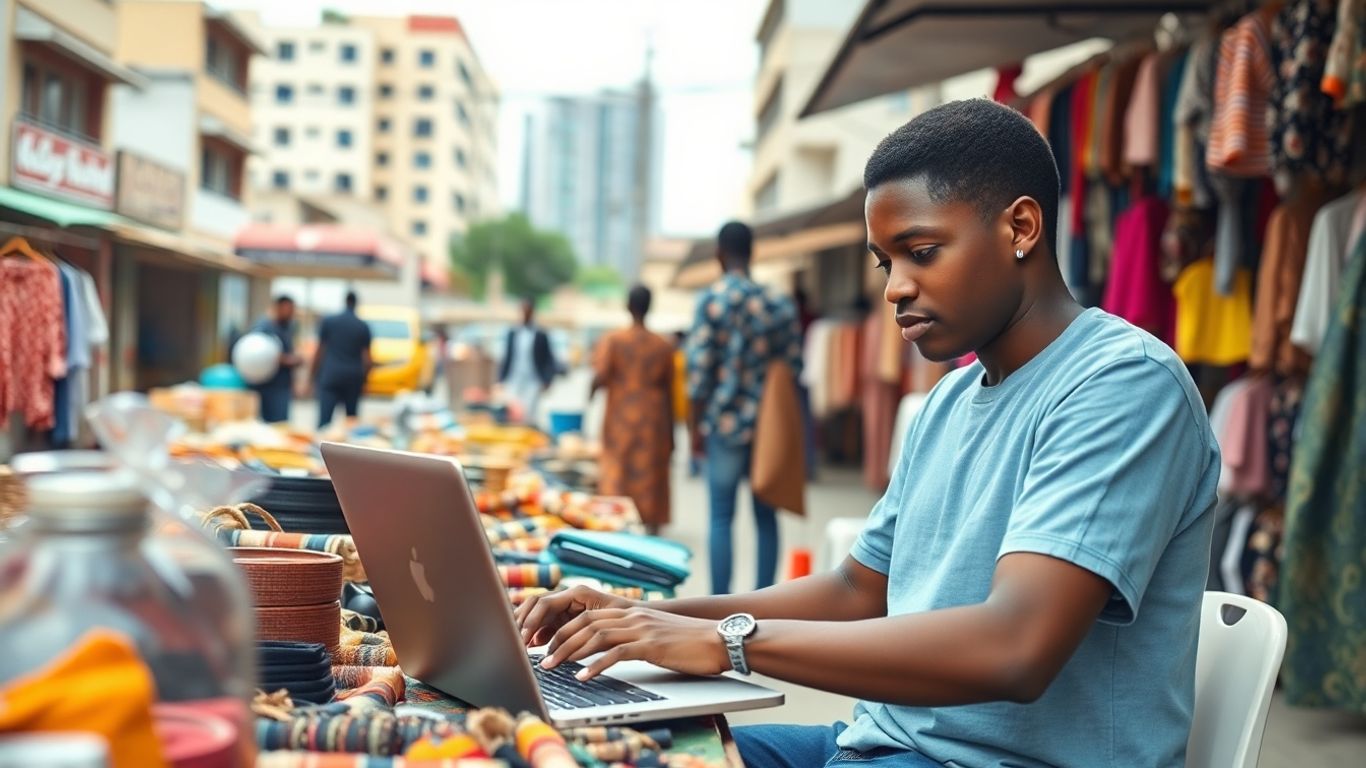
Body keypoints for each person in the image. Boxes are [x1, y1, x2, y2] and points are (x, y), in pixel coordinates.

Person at [515, 100, 1219, 768]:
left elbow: (1017, 645)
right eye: (887, 262)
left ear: (1021, 228)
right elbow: (858, 589)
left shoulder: (1122, 385)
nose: (894, 288)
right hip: (875, 744)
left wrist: (723, 642)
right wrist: (641, 618)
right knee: (556, 742)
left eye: (921, 251)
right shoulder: (950, 401)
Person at [684, 221, 803, 595]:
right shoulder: (777, 302)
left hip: (723, 424)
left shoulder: (711, 301)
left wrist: (693, 430)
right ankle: (764, 602)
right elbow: (794, 367)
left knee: (721, 517)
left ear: (720, 254)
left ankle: (720, 604)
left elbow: (698, 372)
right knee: (766, 517)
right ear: (752, 253)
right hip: (767, 424)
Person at [589, 285, 675, 535]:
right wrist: (671, 435)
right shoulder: (663, 345)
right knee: (651, 476)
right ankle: (651, 535)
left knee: (618, 471)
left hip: (621, 418)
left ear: (628, 306)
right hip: (653, 419)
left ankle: (616, 529)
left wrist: (591, 392)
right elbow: (670, 391)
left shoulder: (614, 341)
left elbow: (600, 375)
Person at [310, 291, 373, 430]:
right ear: (356, 304)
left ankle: (320, 449)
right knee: (351, 422)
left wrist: (312, 376)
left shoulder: (329, 321)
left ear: (344, 301)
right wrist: (365, 380)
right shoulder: (362, 326)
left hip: (331, 375)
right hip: (353, 377)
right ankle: (349, 451)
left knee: (324, 421)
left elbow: (320, 351)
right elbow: (368, 360)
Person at [498, 298, 556, 425]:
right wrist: (501, 379)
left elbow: (549, 359)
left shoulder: (541, 334)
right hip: (514, 378)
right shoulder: (513, 333)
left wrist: (547, 380)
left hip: (533, 379)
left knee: (529, 414)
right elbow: (507, 357)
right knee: (513, 412)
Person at [250, 295, 302, 424]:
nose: (291, 313)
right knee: (269, 423)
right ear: (278, 308)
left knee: (281, 423)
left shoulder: (288, 327)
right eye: (288, 309)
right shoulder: (264, 326)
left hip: (282, 384)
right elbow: (260, 353)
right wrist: (289, 360)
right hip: (267, 385)